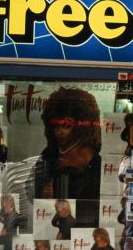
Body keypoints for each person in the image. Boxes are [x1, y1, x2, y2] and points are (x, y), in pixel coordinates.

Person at [34, 86, 102, 228]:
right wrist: (44, 193)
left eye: (66, 125)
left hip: (85, 225)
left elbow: (97, 197)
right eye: (56, 126)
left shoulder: (90, 156)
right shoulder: (49, 153)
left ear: (79, 126)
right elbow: (35, 193)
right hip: (52, 223)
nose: (60, 132)